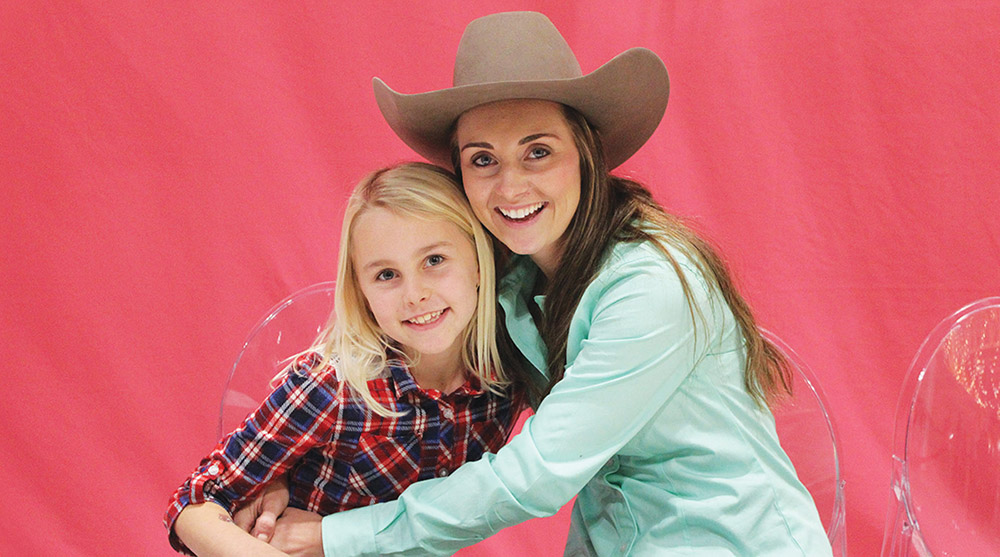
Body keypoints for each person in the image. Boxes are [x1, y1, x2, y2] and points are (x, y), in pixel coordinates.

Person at [254, 11, 833, 556]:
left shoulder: (651, 285)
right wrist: (285, 471)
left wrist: (337, 536)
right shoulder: (505, 286)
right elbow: (419, 406)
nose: (510, 188)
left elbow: (538, 474)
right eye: (483, 160)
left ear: (585, 154)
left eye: (537, 152)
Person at [163, 162, 527, 556]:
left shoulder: (508, 375)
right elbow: (192, 504)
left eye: (434, 260)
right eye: (386, 275)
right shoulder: (332, 386)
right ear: (361, 291)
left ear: (479, 260)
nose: (415, 294)